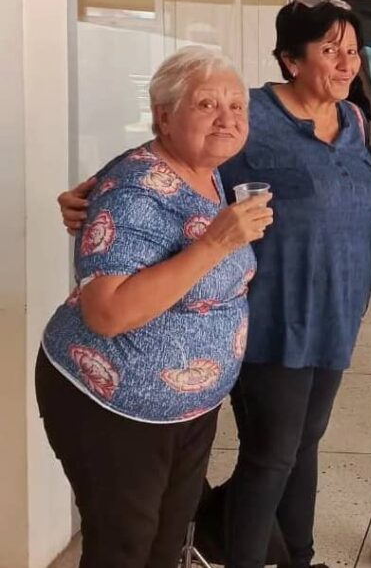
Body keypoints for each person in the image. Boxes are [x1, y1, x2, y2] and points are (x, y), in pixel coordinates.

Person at [59, 0, 371, 568]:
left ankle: (295, 556)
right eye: (330, 50)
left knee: (303, 446)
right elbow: (168, 154)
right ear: (291, 59)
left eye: (353, 51)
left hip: (335, 314)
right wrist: (89, 193)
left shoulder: (354, 121)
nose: (346, 63)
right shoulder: (252, 115)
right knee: (272, 456)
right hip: (271, 317)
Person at [38, 46, 269, 568]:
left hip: (184, 407)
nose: (227, 118)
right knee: (123, 547)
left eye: (237, 106)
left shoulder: (208, 168)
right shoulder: (133, 191)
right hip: (114, 401)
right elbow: (108, 313)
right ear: (164, 116)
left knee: (167, 543)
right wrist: (215, 243)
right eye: (207, 104)